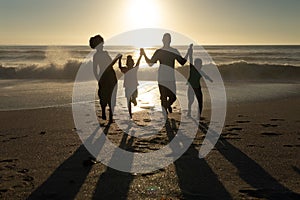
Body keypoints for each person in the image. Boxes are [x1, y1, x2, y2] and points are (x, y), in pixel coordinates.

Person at [141, 33, 190, 117]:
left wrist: (188, 52)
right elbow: (150, 64)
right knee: (163, 97)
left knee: (173, 97)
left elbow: (182, 62)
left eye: (168, 39)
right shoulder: (159, 52)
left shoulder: (174, 51)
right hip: (162, 78)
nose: (166, 41)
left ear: (170, 41)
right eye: (165, 39)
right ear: (163, 40)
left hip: (170, 78)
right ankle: (165, 118)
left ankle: (167, 106)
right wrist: (144, 54)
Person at [89, 34, 121, 123]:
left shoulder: (96, 55)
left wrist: (98, 78)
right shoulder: (102, 54)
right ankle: (109, 116)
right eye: (101, 43)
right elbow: (109, 65)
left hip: (104, 76)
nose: (103, 45)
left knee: (103, 94)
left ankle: (105, 112)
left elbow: (94, 69)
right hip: (109, 76)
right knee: (111, 95)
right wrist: (117, 58)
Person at [187, 44, 212, 119]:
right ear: (195, 64)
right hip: (191, 88)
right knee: (191, 101)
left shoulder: (201, 71)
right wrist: (190, 50)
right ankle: (189, 112)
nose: (200, 65)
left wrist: (209, 79)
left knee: (200, 101)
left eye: (200, 64)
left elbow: (205, 76)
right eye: (198, 64)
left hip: (198, 88)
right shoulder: (192, 69)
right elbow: (190, 58)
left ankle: (199, 115)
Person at [118, 51, 142, 119]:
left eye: (131, 62)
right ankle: (130, 113)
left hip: (133, 85)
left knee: (134, 97)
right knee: (128, 99)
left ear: (132, 62)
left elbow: (138, 62)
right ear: (127, 63)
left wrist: (140, 55)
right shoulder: (126, 69)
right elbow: (120, 67)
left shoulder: (134, 68)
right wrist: (119, 59)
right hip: (128, 86)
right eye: (128, 62)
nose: (130, 63)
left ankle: (133, 100)